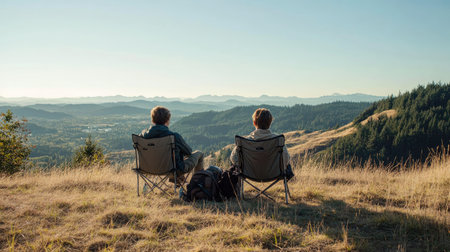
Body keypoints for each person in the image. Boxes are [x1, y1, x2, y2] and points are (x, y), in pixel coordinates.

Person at [140, 106, 204, 182]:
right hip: (173, 170)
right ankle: (197, 184)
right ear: (167, 120)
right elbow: (189, 152)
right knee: (199, 153)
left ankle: (180, 182)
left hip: (147, 169)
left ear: (152, 120)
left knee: (177, 157)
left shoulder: (143, 136)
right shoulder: (174, 136)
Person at [230, 108, 294, 180]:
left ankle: (236, 191)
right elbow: (286, 160)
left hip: (248, 174)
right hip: (274, 174)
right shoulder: (278, 140)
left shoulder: (245, 141)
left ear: (254, 123)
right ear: (270, 123)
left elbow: (233, 158)